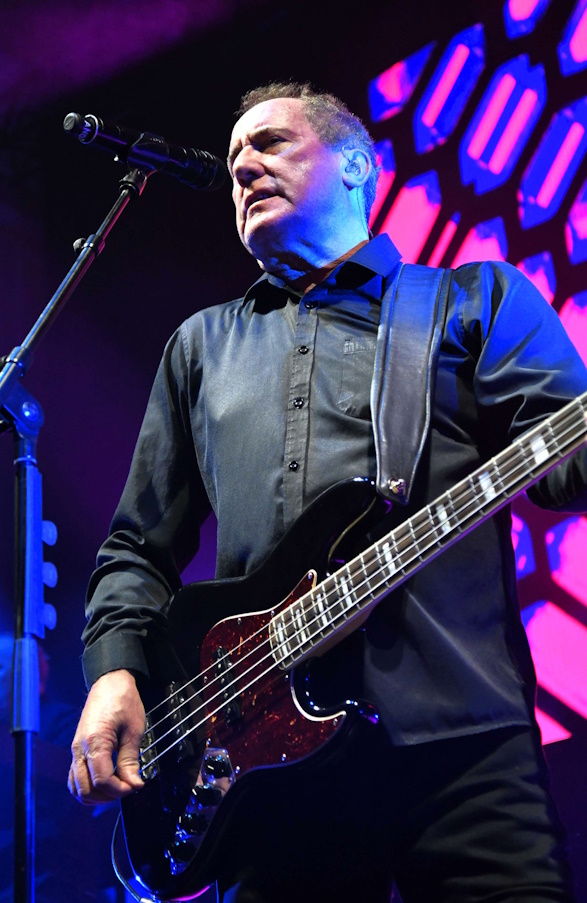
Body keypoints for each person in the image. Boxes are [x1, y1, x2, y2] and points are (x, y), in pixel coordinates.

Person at [68, 81, 587, 903]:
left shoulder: (474, 300)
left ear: (354, 166)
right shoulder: (201, 345)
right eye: (234, 157)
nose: (244, 166)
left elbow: (563, 471)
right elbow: (138, 546)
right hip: (266, 770)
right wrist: (114, 673)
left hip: (460, 739)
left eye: (270, 143)